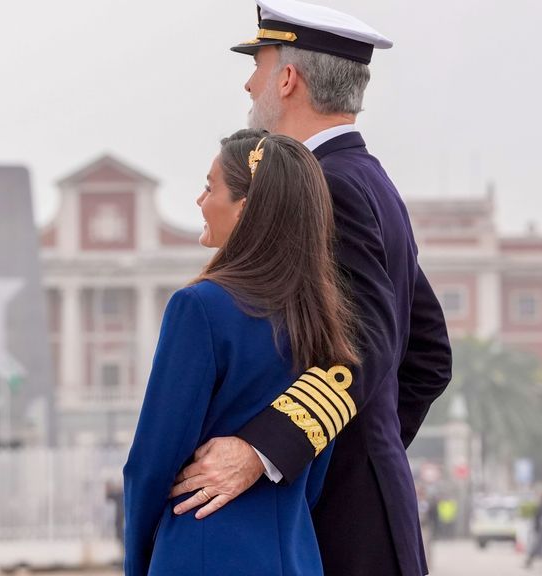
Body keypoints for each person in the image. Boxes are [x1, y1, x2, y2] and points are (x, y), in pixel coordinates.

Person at [168, 1, 453, 574]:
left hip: (339, 522)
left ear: (289, 78)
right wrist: (372, 446)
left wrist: (266, 450)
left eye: (259, 66)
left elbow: (366, 343)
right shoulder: (371, 179)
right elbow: (427, 352)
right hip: (368, 506)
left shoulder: (326, 187)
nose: (249, 85)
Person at [123, 130, 362, 575]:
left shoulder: (199, 307)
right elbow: (315, 459)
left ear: (246, 210)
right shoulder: (321, 317)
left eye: (211, 187)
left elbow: (152, 461)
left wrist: (139, 559)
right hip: (294, 551)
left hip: (199, 549)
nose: (200, 200)